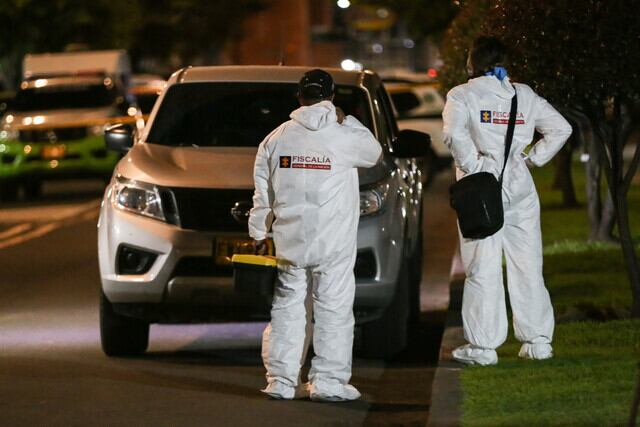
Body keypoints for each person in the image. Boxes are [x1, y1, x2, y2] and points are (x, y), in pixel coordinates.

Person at [249, 69, 382, 400]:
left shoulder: (276, 138)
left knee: (287, 307)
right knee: (333, 308)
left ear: (299, 97)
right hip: (333, 241)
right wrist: (347, 120)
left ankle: (280, 380)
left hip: (289, 241)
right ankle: (327, 382)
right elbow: (374, 151)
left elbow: (262, 195)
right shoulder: (343, 135)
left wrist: (257, 233)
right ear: (332, 97)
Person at [443, 37, 572, 365]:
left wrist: (475, 166)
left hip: (480, 189)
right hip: (520, 187)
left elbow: (454, 135)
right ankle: (538, 342)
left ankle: (483, 347)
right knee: (528, 264)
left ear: (472, 62)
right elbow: (561, 128)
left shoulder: (462, 95)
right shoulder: (524, 95)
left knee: (481, 266)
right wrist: (531, 158)